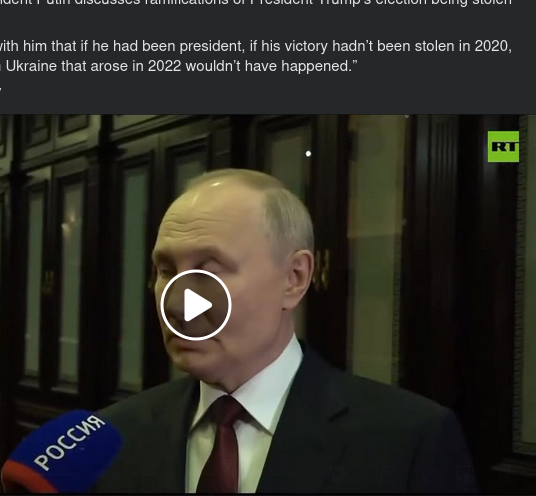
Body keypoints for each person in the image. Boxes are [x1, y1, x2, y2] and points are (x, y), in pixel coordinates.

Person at [95, 169, 477, 493]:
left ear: (294, 278)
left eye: (209, 271)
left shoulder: (408, 441)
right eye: (166, 271)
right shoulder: (112, 436)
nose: (177, 304)